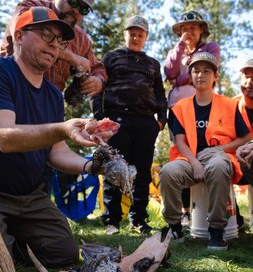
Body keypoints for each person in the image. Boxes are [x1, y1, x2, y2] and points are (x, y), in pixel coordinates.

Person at [0, 7, 116, 268]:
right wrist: (62, 128)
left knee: (65, 255)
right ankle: (6, 244)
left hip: (31, 198)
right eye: (46, 35)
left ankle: (13, 244)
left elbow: (56, 152)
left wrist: (93, 165)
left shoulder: (52, 94)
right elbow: (3, 137)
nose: (54, 45)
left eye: (59, 41)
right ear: (19, 35)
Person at [159, 52, 251, 250]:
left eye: (206, 71)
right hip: (189, 157)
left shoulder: (230, 104)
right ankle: (174, 226)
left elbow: (246, 136)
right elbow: (180, 141)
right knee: (167, 172)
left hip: (219, 156)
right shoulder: (179, 107)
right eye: (196, 71)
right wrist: (194, 162)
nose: (201, 75)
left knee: (218, 167)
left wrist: (221, 148)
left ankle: (216, 231)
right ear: (191, 76)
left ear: (215, 76)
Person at [92, 15, 167, 235]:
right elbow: (98, 88)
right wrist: (100, 119)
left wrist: (160, 121)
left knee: (142, 173)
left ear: (145, 37)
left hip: (146, 123)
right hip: (116, 122)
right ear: (125, 34)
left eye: (140, 34)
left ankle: (138, 220)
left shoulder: (153, 63)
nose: (135, 37)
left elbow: (161, 94)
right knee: (114, 170)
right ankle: (112, 221)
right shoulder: (111, 58)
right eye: (132, 33)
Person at [164, 10, 220, 226]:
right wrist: (180, 48)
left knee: (207, 154)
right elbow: (169, 72)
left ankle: (211, 211)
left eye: (193, 27)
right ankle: (184, 211)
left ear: (201, 30)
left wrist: (180, 80)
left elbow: (207, 69)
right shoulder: (175, 50)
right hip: (177, 111)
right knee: (182, 156)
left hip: (205, 109)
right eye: (185, 28)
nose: (189, 31)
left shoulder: (210, 48)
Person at [0, 0, 107, 96]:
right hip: (5, 87)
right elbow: (21, 30)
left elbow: (97, 68)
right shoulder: (32, 7)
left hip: (47, 106)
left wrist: (98, 81)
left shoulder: (81, 39)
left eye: (83, 9)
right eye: (73, 2)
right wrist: (72, 58)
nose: (76, 10)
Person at [235, 59, 253, 184]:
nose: (249, 82)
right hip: (237, 161)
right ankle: (230, 204)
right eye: (246, 77)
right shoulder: (231, 106)